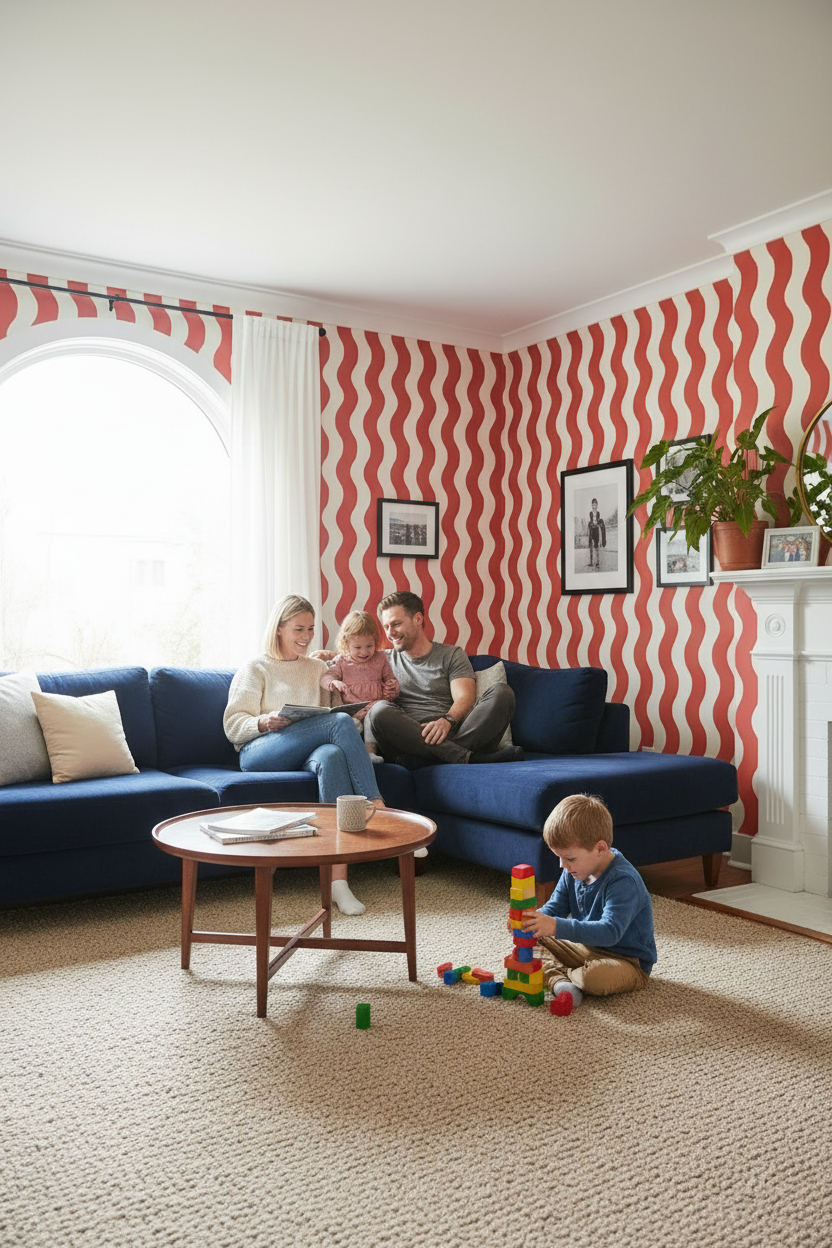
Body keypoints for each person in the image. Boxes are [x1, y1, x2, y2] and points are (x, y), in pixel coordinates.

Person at [223, 594, 384, 916]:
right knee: (337, 724)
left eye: (310, 629)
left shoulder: (317, 668)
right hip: (261, 751)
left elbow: (334, 718)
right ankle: (380, 806)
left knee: (331, 756)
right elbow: (232, 724)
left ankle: (337, 881)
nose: (306, 636)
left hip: (310, 750)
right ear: (279, 628)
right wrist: (263, 721)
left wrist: (357, 708)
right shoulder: (256, 667)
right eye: (298, 629)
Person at [518, 793, 656, 1013]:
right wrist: (531, 923)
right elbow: (555, 908)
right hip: (586, 947)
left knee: (594, 977)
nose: (563, 865)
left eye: (570, 858)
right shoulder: (573, 872)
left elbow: (610, 932)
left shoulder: (624, 881)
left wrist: (554, 926)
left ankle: (561, 973)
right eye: (559, 857)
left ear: (600, 848)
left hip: (627, 961)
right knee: (524, 946)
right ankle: (562, 983)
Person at [365, 590, 522, 769]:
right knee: (378, 711)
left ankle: (432, 759)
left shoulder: (451, 655)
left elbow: (465, 697)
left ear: (418, 619)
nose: (390, 633)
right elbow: (348, 660)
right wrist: (328, 655)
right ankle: (467, 758)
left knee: (502, 693)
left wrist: (446, 721)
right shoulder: (381, 660)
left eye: (396, 624)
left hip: (451, 733)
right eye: (386, 627)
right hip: (410, 742)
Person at [319, 610, 400, 761]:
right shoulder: (342, 661)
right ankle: (352, 754)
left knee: (373, 717)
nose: (364, 652)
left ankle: (370, 753)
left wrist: (392, 688)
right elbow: (326, 677)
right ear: (346, 643)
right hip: (353, 711)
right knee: (349, 724)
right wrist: (333, 682)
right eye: (357, 647)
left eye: (369, 646)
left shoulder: (381, 658)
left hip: (375, 709)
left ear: (376, 641)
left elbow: (391, 680)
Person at [587, 498, 606, 569]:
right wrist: (591, 524)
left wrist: (597, 524)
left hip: (596, 531)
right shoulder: (590, 513)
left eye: (595, 505)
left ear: (597, 505)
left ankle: (597, 562)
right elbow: (591, 521)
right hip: (592, 530)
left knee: (596, 546)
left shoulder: (598, 513)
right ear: (591, 505)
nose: (594, 506)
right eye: (593, 505)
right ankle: (591, 562)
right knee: (591, 546)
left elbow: (597, 521)